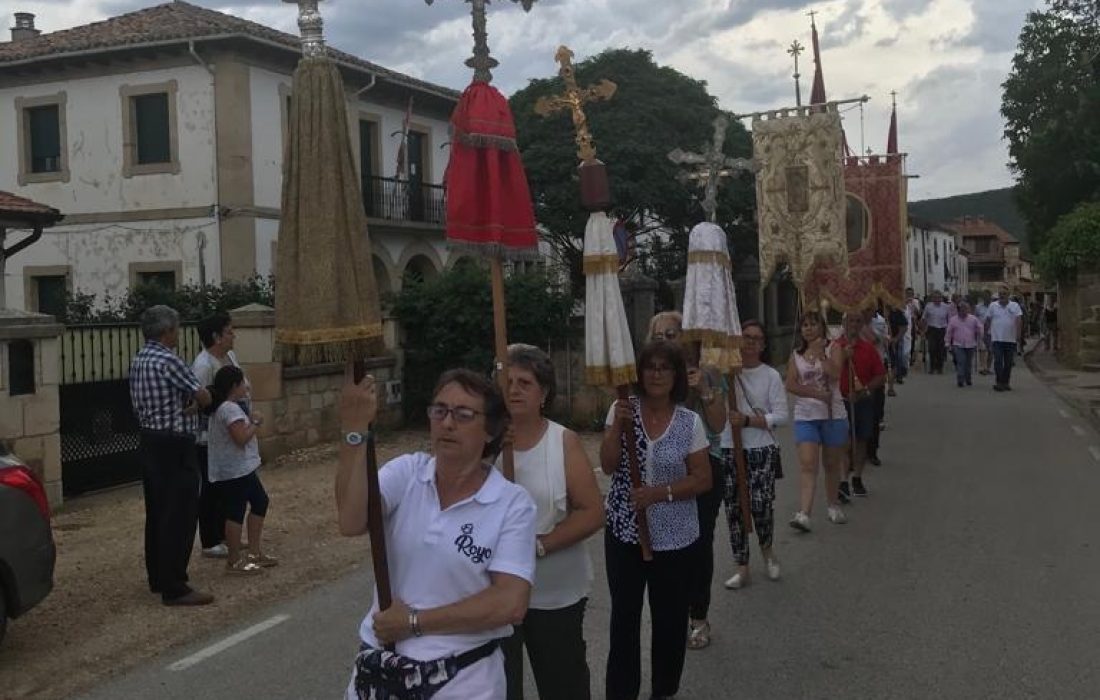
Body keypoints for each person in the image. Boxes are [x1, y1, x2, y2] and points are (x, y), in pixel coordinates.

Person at [337, 368, 537, 700]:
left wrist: (414, 622)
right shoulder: (407, 472)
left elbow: (510, 603)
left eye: (463, 414)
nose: (447, 423)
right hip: (380, 670)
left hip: (462, 681)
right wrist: (354, 430)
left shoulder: (512, 505)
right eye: (439, 410)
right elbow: (351, 519)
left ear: (490, 430)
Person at [600, 340, 712, 700]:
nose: (657, 374)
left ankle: (663, 691)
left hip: (675, 537)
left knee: (669, 621)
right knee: (624, 621)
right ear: (639, 373)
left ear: (676, 375)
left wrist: (659, 493)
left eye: (665, 368)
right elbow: (606, 464)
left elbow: (702, 479)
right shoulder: (622, 409)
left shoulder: (688, 421)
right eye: (650, 367)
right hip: (625, 533)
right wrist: (617, 426)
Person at [501, 345, 603, 700]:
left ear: (543, 393)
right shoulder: (482, 442)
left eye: (524, 382)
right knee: (499, 686)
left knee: (564, 684)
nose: (513, 389)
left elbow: (592, 511)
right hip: (494, 594)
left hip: (554, 591)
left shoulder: (563, 442)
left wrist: (539, 544)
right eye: (507, 381)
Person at [645, 312, 728, 652]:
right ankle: (670, 614)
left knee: (696, 545)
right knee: (663, 546)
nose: (667, 340)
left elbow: (720, 425)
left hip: (703, 466)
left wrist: (705, 391)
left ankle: (698, 616)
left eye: (674, 333)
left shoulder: (707, 374)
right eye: (660, 335)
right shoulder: (650, 377)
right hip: (661, 468)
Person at [129, 305, 213, 606]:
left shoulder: (140, 359)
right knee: (180, 513)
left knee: (158, 512)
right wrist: (196, 402)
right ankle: (175, 585)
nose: (178, 334)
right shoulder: (169, 360)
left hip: (150, 440)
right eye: (176, 329)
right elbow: (203, 395)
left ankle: (158, 576)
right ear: (167, 332)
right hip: (175, 444)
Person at [723, 320, 787, 589]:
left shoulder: (770, 375)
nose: (750, 342)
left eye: (755, 338)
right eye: (745, 337)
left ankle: (768, 551)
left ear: (763, 344)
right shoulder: (726, 373)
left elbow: (781, 416)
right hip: (729, 447)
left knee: (760, 506)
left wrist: (749, 421)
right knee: (735, 508)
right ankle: (742, 565)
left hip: (760, 447)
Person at [206, 365, 274, 574]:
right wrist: (255, 422)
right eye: (242, 383)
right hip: (235, 470)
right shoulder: (229, 409)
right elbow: (241, 438)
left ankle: (254, 552)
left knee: (260, 501)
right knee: (235, 512)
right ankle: (234, 561)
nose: (246, 386)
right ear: (234, 386)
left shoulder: (227, 407)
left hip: (242, 468)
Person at [785, 312, 848, 531]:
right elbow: (791, 384)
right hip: (806, 416)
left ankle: (833, 504)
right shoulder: (796, 354)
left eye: (813, 324)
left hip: (833, 414)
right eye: (804, 325)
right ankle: (804, 513)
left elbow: (836, 374)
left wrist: (821, 355)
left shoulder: (833, 348)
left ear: (821, 327)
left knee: (831, 464)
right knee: (808, 464)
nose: (808, 329)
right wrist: (814, 394)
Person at [192, 312, 246, 559]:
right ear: (216, 337)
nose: (233, 335)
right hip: (209, 436)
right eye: (228, 331)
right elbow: (201, 403)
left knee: (229, 484)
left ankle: (227, 533)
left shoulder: (230, 356)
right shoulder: (203, 366)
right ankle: (210, 539)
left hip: (232, 430)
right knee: (212, 486)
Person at [835, 312, 887, 498]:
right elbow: (826, 373)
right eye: (851, 321)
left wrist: (864, 390)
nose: (854, 325)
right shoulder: (834, 347)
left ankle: (857, 477)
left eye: (858, 321)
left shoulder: (868, 349)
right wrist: (842, 356)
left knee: (862, 439)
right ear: (844, 323)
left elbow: (880, 375)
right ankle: (843, 480)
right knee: (844, 441)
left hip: (863, 400)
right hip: (840, 401)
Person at [987, 287, 1024, 392]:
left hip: (1010, 339)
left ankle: (1006, 382)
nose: (1002, 295)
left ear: (1008, 295)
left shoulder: (1015, 306)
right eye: (1000, 294)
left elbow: (1019, 320)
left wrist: (1018, 335)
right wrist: (986, 333)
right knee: (998, 361)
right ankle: (999, 382)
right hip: (997, 338)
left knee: (1008, 363)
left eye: (1004, 294)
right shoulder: (993, 306)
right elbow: (988, 320)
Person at [946, 301, 983, 387]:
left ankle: (968, 378)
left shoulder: (973, 319)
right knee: (961, 361)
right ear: (958, 310)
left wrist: (980, 333)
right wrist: (947, 343)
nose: (964, 311)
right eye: (962, 309)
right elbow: (949, 332)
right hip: (958, 344)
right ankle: (960, 379)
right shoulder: (953, 320)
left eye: (966, 309)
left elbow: (980, 327)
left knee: (968, 363)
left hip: (970, 344)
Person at [920, 291, 951, 374]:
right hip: (931, 329)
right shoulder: (928, 306)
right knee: (932, 349)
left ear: (941, 298)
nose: (937, 299)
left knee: (941, 349)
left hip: (942, 329)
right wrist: (923, 330)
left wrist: (949, 331)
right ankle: (932, 367)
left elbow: (949, 320)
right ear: (932, 298)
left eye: (938, 298)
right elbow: (923, 319)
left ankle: (940, 367)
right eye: (935, 298)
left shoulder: (946, 307)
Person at [887, 303, 909, 390]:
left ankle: (891, 387)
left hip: (894, 341)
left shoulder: (896, 312)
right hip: (881, 342)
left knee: (894, 362)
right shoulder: (878, 312)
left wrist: (896, 339)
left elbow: (904, 326)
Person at [975, 294, 993, 375]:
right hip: (981, 330)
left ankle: (988, 367)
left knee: (990, 350)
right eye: (985, 297)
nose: (987, 299)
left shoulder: (993, 307)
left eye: (988, 297)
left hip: (991, 331)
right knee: (982, 349)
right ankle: (983, 367)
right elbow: (975, 318)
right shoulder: (978, 307)